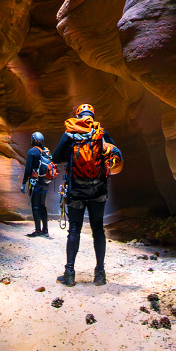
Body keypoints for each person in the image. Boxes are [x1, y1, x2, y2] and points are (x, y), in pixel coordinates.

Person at [52, 103, 122, 286]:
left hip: (76, 190)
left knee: (74, 229)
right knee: (98, 229)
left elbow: (55, 158)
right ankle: (100, 274)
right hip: (98, 190)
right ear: (92, 116)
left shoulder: (69, 134)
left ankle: (69, 274)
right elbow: (115, 155)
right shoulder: (101, 133)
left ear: (78, 116)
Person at [21, 131, 52, 238]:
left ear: (33, 140)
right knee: (42, 205)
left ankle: (38, 230)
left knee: (35, 206)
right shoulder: (46, 151)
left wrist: (23, 182)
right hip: (45, 183)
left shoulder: (32, 152)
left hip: (35, 183)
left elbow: (28, 169)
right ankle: (45, 230)